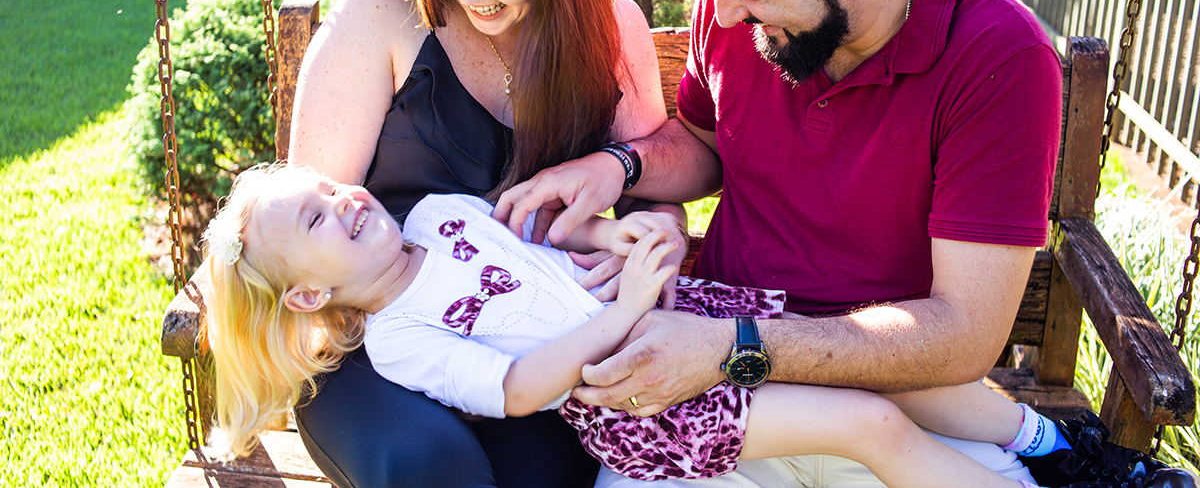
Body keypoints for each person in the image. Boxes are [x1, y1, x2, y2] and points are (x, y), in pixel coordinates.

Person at [492, 0, 1195, 488]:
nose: (726, 13)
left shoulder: (997, 55)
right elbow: (703, 146)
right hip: (724, 401)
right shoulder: (736, 5)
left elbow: (964, 334)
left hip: (900, 404)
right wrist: (620, 165)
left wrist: (734, 345)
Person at [201, 164, 1175, 488]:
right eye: (317, 221)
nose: (345, 201)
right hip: (641, 400)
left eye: (329, 189)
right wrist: (624, 311)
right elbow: (519, 388)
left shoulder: (434, 214)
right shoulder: (401, 339)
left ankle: (1054, 448)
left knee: (867, 355)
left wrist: (613, 235)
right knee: (866, 423)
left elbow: (541, 238)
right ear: (306, 298)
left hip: (685, 313)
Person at [285, 0, 681, 487]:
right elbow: (305, 223)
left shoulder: (610, 26)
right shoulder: (384, 11)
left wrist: (646, 252)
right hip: (381, 345)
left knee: (547, 478)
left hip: (535, 346)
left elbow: (651, 194)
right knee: (432, 466)